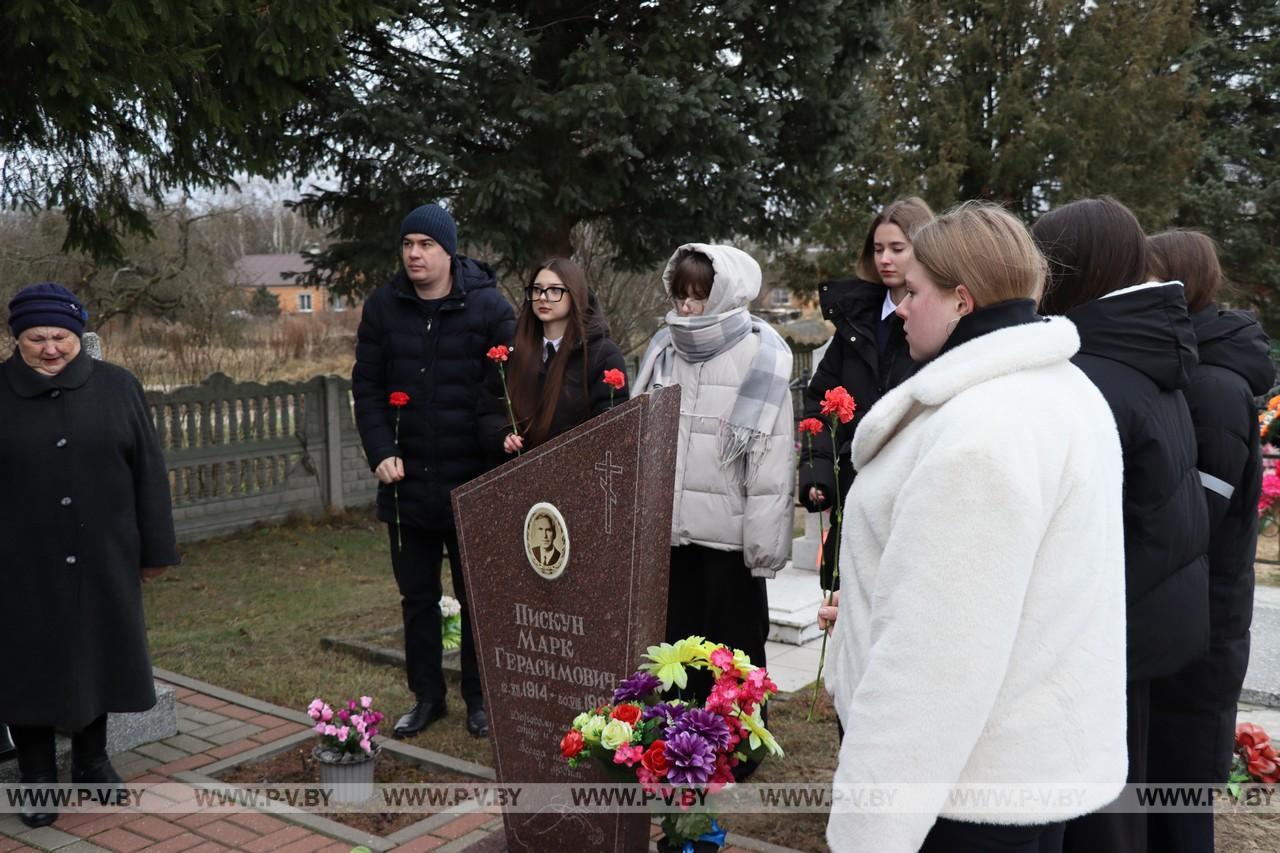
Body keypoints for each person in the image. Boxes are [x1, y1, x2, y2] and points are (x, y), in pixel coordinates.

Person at [821, 203, 1128, 852]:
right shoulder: (1061, 391)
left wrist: (867, 829)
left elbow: (933, 661)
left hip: (959, 796)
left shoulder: (980, 431)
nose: (898, 306)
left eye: (912, 291)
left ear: (961, 300)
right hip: (1020, 774)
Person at [1032, 198, 1211, 853]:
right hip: (1146, 622)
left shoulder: (1091, 373)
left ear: (1073, 272)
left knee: (1096, 816)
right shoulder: (1142, 354)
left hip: (1108, 631)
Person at [0, 283, 178, 828]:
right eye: (37, 338)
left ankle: (92, 762)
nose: (50, 348)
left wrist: (155, 550)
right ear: (16, 338)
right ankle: (35, 778)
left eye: (61, 337)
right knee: (24, 665)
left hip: (104, 555)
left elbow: (149, 473)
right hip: (18, 562)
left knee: (97, 654)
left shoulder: (118, 387)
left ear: (79, 335)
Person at [352, 203, 515, 740]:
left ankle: (480, 697)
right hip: (407, 486)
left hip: (474, 484)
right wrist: (380, 451)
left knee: (478, 599)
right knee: (417, 599)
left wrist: (499, 447)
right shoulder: (384, 307)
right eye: (407, 245)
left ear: (449, 251)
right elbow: (368, 388)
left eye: (425, 244)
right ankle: (427, 697)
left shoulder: (489, 307)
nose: (415, 254)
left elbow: (510, 388)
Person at [1145, 229, 1274, 853]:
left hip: (1204, 628)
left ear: (1177, 282)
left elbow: (1198, 518)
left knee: (1177, 800)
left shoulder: (1216, 387)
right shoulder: (1191, 369)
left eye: (1146, 274)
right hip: (1184, 618)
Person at [632, 244, 795, 703]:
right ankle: (681, 745)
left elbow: (770, 463)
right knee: (677, 653)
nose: (687, 307)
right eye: (681, 295)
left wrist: (761, 549)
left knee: (735, 653)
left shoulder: (762, 357)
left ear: (725, 294)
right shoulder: (664, 350)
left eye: (700, 295)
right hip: (673, 536)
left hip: (729, 541)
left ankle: (738, 748)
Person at [799, 197, 929, 589]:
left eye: (897, 248)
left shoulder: (940, 324)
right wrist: (819, 474)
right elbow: (818, 404)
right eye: (877, 249)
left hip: (909, 505)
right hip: (853, 493)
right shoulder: (856, 320)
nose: (885, 259)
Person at [479, 257, 628, 456]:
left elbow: (612, 426)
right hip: (518, 474)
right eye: (537, 289)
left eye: (555, 290)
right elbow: (489, 411)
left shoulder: (602, 355)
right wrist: (503, 435)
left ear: (574, 295)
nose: (543, 297)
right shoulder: (511, 353)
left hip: (576, 472)